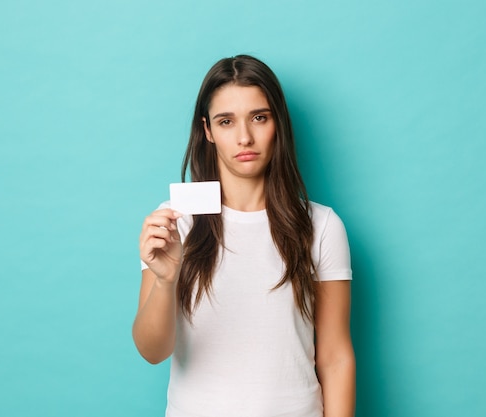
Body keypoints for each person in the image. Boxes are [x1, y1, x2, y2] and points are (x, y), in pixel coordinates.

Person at [133, 55, 355, 417]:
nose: (244, 137)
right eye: (226, 121)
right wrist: (165, 279)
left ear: (277, 124)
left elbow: (335, 357)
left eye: (259, 117)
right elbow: (152, 351)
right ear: (207, 131)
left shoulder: (322, 226)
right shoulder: (175, 223)